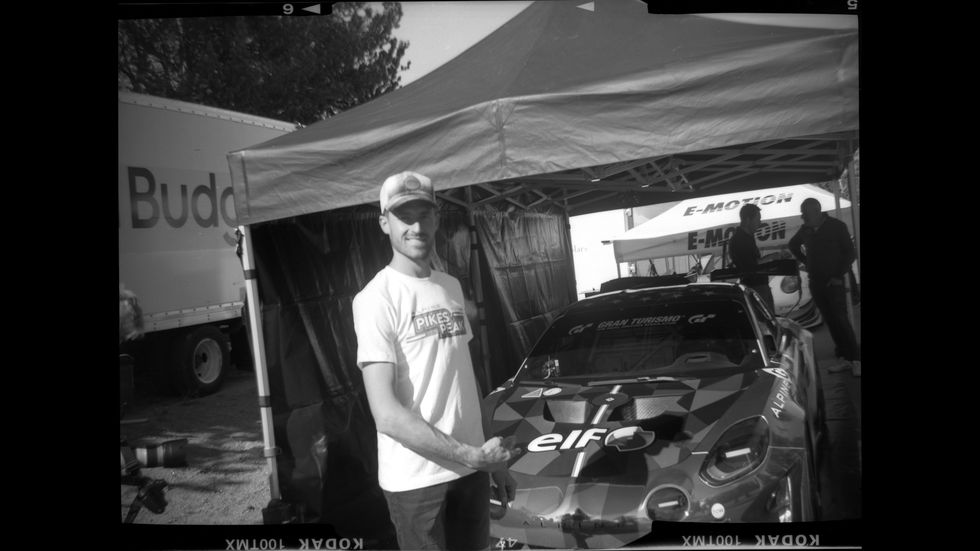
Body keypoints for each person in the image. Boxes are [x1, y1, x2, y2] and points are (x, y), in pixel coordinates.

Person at [352, 171, 519, 550]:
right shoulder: (376, 299)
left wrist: (493, 462)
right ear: (384, 222)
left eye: (424, 215)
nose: (416, 226)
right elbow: (386, 414)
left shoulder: (451, 287)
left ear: (438, 218)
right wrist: (472, 455)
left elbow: (466, 380)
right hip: (416, 483)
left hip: (472, 471)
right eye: (403, 216)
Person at [788, 197, 861, 376]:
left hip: (834, 282)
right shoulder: (805, 230)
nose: (802, 218)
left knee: (841, 320)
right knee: (830, 321)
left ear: (816, 211)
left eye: (805, 214)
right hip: (816, 281)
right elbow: (793, 245)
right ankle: (844, 357)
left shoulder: (836, 226)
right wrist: (806, 261)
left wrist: (838, 275)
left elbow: (850, 252)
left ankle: (857, 359)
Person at [727, 203, 776, 313]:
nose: (760, 223)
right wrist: (772, 257)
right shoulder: (739, 240)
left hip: (758, 286)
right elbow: (751, 266)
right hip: (755, 288)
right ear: (748, 220)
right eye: (757, 219)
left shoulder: (747, 238)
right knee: (767, 322)